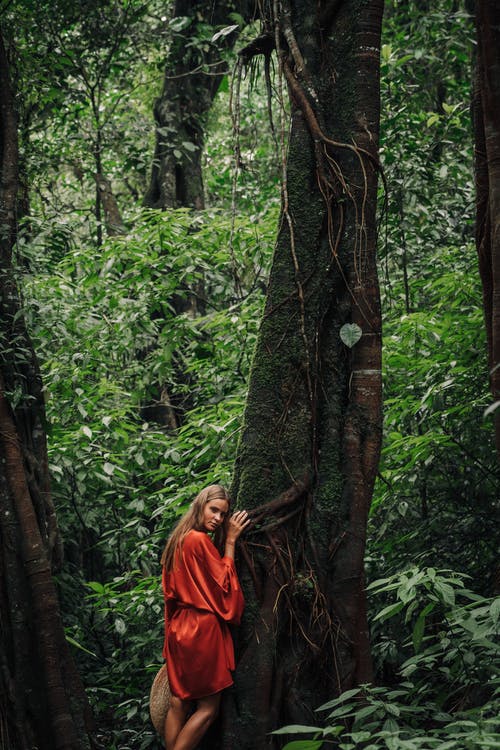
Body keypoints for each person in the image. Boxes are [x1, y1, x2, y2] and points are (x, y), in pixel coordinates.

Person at [160, 484, 250, 750]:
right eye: (214, 510)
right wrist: (231, 541)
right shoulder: (198, 540)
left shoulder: (177, 540)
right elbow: (224, 586)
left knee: (179, 703)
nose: (218, 519)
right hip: (202, 630)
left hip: (179, 629)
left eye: (223, 515)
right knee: (208, 708)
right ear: (200, 505)